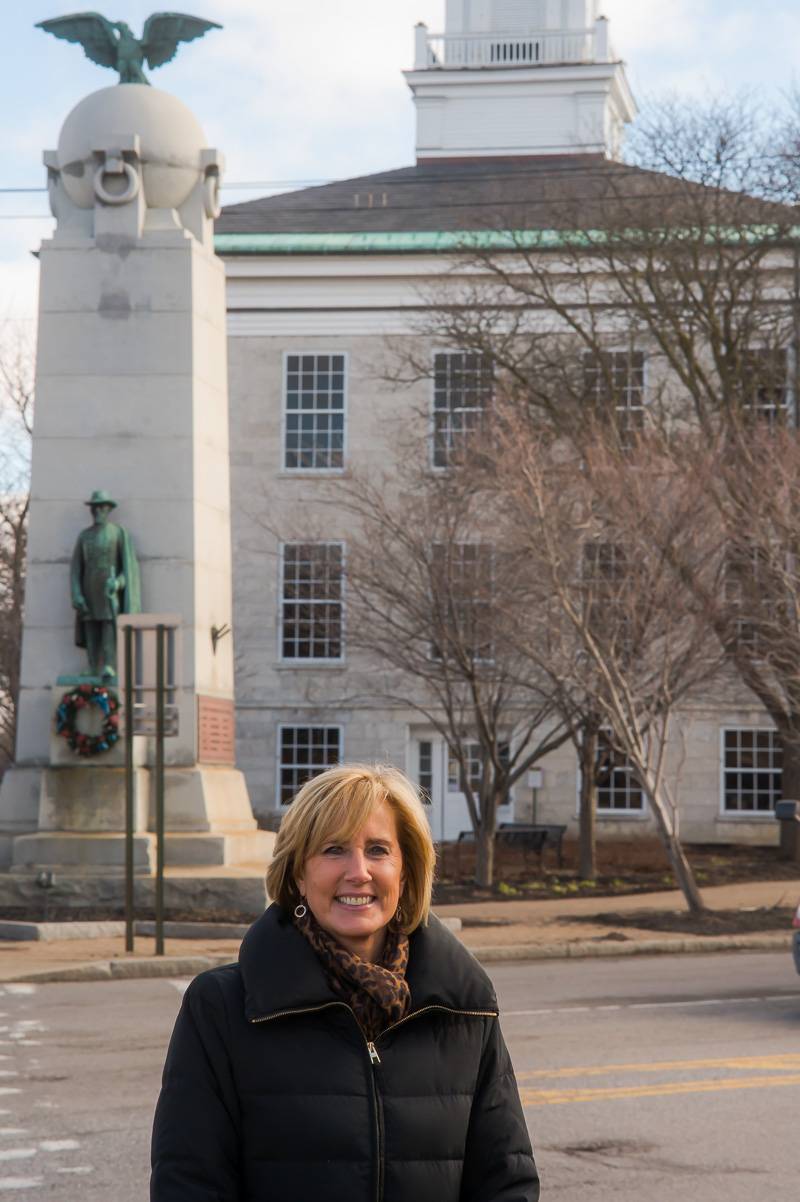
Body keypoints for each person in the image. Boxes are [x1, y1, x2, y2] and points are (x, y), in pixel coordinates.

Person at [150, 763, 539, 1202]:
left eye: (377, 850)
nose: (359, 872)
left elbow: (507, 1183)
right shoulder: (222, 1008)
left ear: (406, 870)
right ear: (298, 873)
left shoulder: (464, 1005)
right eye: (333, 850)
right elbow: (188, 1184)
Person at [70, 489, 141, 678]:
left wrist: (117, 584)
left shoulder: (118, 534)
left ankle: (109, 664)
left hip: (108, 593)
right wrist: (76, 594)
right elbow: (76, 569)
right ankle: (93, 665)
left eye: (102, 507)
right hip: (88, 591)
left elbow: (127, 571)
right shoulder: (84, 536)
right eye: (95, 507)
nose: (98, 511)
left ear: (108, 509)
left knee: (108, 627)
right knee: (91, 628)